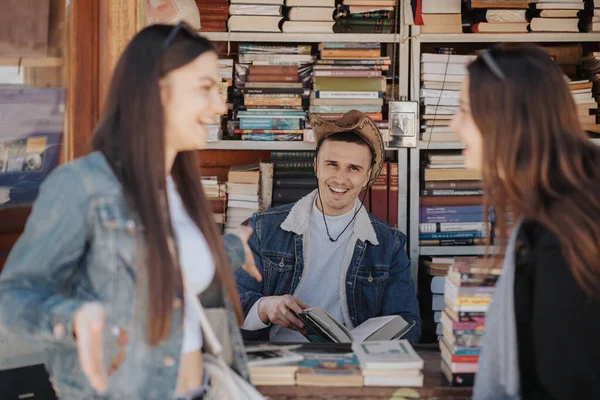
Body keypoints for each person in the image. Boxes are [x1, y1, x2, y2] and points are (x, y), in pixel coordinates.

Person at [0, 23, 263, 400]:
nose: (220, 106)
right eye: (206, 88)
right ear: (155, 91)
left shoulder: (180, 188)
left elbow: (170, 269)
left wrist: (231, 248)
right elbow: (12, 298)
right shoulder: (83, 186)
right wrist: (74, 318)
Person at [451, 44, 600, 399]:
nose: (454, 125)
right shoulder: (556, 211)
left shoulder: (562, 237)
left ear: (509, 120)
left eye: (465, 110)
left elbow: (569, 382)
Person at [235, 110, 421, 343]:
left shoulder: (389, 244)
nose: (340, 179)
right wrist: (264, 307)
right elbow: (230, 308)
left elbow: (408, 323)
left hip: (354, 364)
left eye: (353, 168)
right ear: (316, 167)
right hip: (278, 360)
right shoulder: (263, 229)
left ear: (367, 177)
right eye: (332, 165)